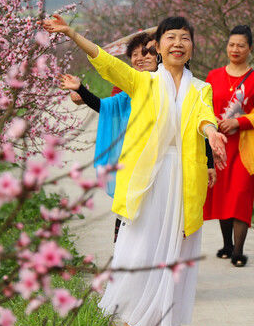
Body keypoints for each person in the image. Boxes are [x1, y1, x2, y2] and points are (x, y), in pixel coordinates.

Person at [42, 14, 227, 326]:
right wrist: (71, 33)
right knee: (140, 248)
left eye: (184, 38)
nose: (177, 44)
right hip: (148, 178)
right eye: (170, 37)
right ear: (158, 45)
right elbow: (106, 63)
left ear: (191, 46)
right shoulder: (144, 82)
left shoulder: (202, 88)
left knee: (171, 252)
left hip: (183, 179)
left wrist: (212, 132)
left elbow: (205, 117)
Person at [59, 34, 216, 242]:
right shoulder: (128, 87)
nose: (140, 58)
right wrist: (81, 91)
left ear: (157, 54)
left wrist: (209, 162)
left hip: (167, 168)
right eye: (134, 55)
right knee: (131, 219)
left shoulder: (184, 87)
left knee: (163, 220)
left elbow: (196, 127)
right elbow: (106, 107)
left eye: (146, 53)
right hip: (134, 162)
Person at [203, 25, 254, 267]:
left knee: (240, 196)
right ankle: (227, 244)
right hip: (219, 146)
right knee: (222, 196)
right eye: (232, 44)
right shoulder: (213, 76)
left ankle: (239, 250)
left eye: (241, 45)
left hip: (245, 148)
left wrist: (239, 122)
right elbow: (204, 108)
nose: (235, 49)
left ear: (250, 48)